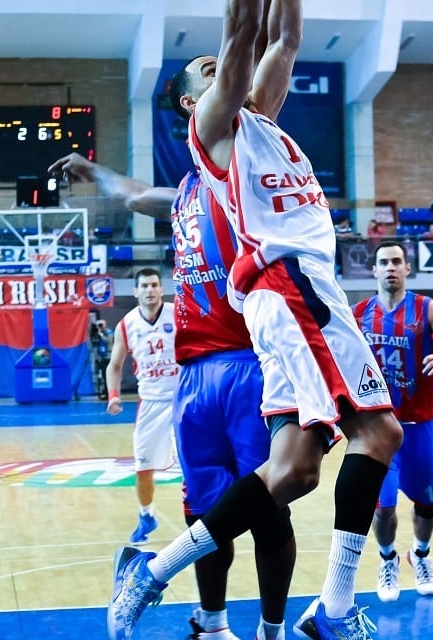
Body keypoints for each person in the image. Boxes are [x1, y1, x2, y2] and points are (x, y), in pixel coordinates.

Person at [107, 2, 404, 639]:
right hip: (288, 286)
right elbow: (244, 31)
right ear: (195, 102)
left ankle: (152, 571)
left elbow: (285, 35)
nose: (223, 70)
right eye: (206, 72)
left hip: (295, 294)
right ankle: (335, 609)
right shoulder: (214, 126)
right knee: (378, 434)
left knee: (294, 471)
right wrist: (233, 43)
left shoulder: (258, 124)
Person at [50, 152, 298, 638]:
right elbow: (133, 194)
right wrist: (92, 169)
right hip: (192, 377)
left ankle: (273, 630)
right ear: (188, 106)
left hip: (249, 360)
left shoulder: (245, 176)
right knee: (204, 508)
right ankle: (212, 623)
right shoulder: (185, 192)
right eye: (206, 70)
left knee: (269, 505)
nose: (219, 80)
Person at [353, 241, 433, 603]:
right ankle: (387, 560)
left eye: (397, 262)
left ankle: (419, 554)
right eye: (383, 262)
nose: (390, 267)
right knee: (383, 506)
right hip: (377, 427)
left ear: (407, 269)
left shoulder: (426, 308)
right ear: (373, 270)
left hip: (418, 425)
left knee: (426, 501)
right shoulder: (357, 314)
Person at [105, 268, 180, 547]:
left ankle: (202, 514)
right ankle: (146, 515)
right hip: (149, 402)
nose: (150, 290)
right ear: (135, 291)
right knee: (143, 466)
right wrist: (114, 396)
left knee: (191, 461)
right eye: (144, 286)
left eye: (154, 285)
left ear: (162, 289)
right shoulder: (126, 325)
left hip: (182, 397)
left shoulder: (179, 313)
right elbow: (114, 366)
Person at [90, 318, 113, 399]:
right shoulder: (97, 333)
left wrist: (101, 334)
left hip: (108, 357)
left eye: (101, 325)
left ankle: (110, 394)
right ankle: (104, 392)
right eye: (98, 325)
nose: (100, 327)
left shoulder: (108, 332)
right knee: (103, 376)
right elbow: (93, 343)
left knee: (108, 376)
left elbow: (108, 341)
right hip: (101, 357)